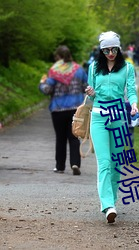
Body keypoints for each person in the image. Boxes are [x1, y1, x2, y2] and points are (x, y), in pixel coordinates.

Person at [85, 31, 138, 223]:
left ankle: (112, 201)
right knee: (105, 163)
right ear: (101, 50)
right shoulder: (93, 68)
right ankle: (107, 205)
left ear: (119, 48)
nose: (110, 53)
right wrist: (90, 92)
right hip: (98, 117)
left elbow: (131, 90)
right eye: (106, 50)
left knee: (117, 163)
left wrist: (133, 104)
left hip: (119, 118)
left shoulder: (127, 68)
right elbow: (91, 97)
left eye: (114, 49)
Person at [39, 45, 88, 175]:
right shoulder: (79, 70)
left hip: (58, 109)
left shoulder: (54, 71)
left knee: (60, 138)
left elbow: (47, 90)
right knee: (74, 137)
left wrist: (42, 83)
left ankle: (60, 166)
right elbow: (86, 87)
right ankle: (75, 163)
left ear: (58, 57)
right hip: (75, 109)